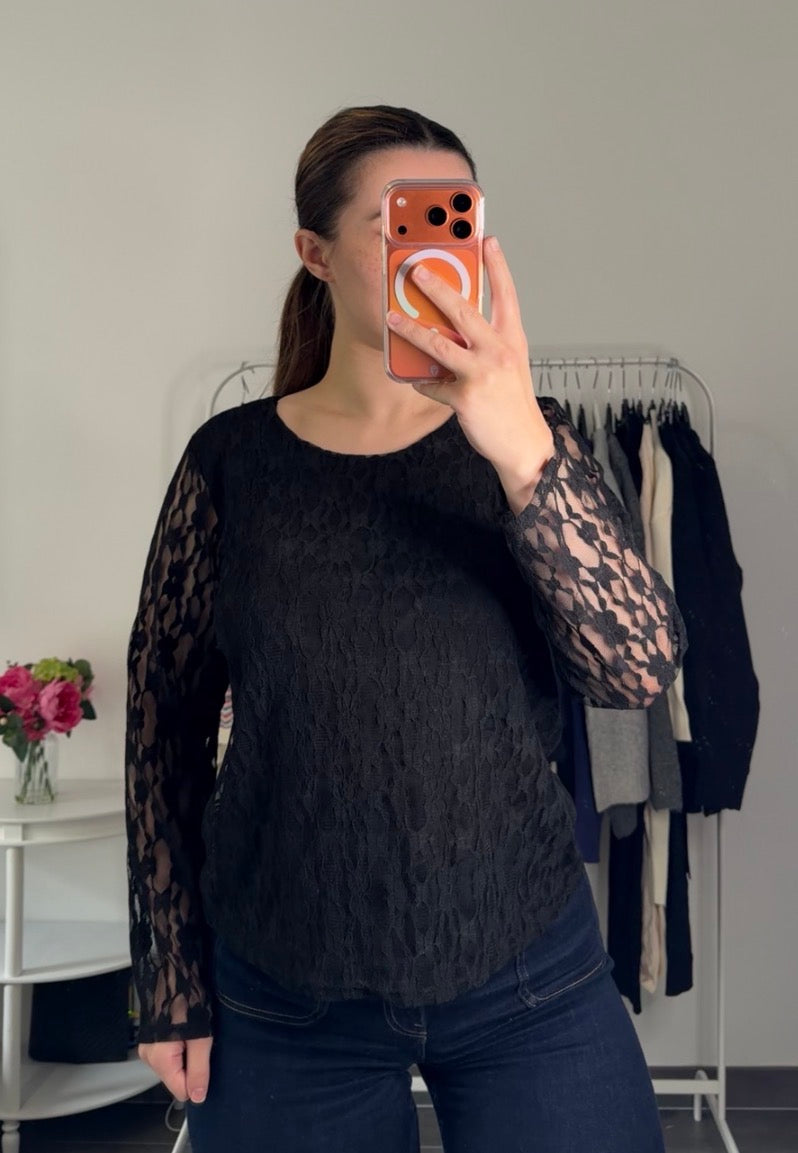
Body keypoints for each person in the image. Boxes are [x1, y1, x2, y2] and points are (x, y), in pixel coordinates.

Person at [125, 104, 687, 1153]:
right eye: (400, 222)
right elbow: (163, 719)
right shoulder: (231, 462)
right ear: (315, 253)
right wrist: (168, 972)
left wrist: (518, 444)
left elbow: (638, 670)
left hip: (528, 972)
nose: (434, 250)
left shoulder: (536, 446)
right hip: (281, 985)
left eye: (455, 217)